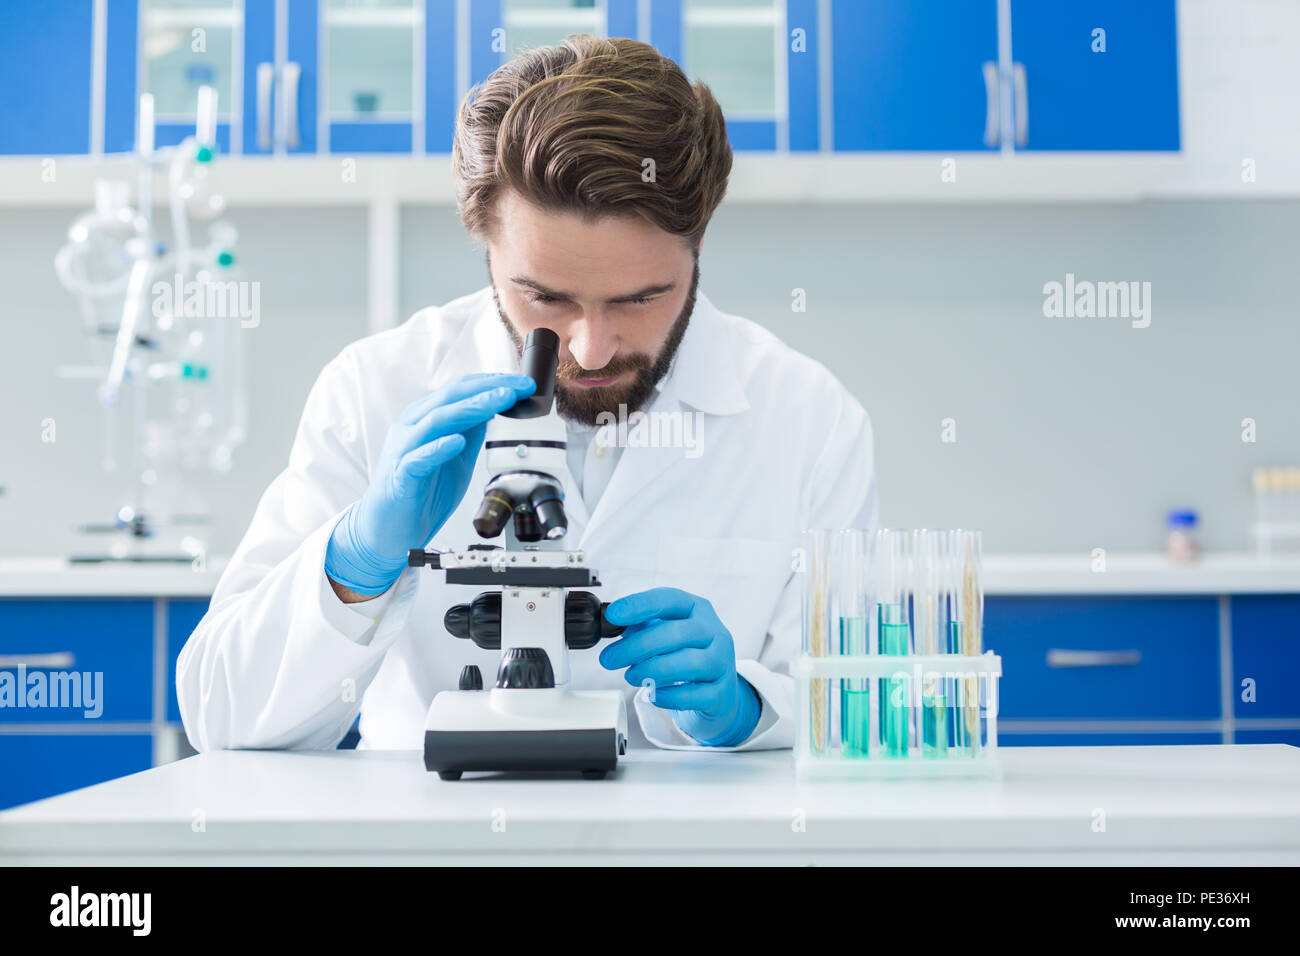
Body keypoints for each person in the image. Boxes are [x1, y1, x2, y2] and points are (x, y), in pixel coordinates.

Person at [177, 35, 877, 753]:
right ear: (486, 245)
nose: (589, 346)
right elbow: (220, 717)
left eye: (640, 298)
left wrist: (749, 710)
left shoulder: (808, 419)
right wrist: (354, 564)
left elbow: (862, 716)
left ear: (697, 246)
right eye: (545, 297)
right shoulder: (373, 390)